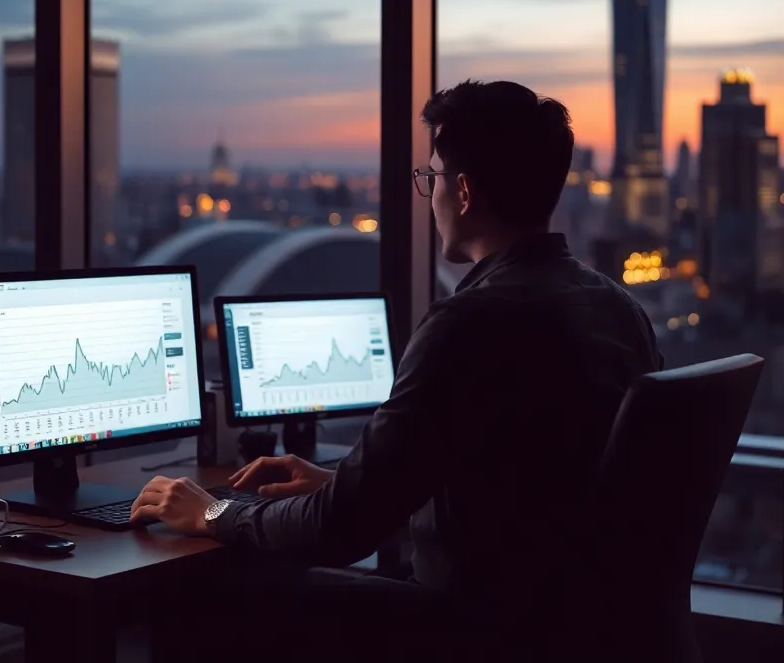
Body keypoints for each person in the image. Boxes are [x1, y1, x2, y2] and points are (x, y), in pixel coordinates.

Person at [132, 80, 663, 655]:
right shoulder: (620, 310)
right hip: (580, 629)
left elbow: (338, 533)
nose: (427, 193)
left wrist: (212, 509)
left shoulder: (466, 324)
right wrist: (344, 483)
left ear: (461, 191)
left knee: (212, 587)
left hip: (469, 628)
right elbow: (527, 492)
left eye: (430, 177)